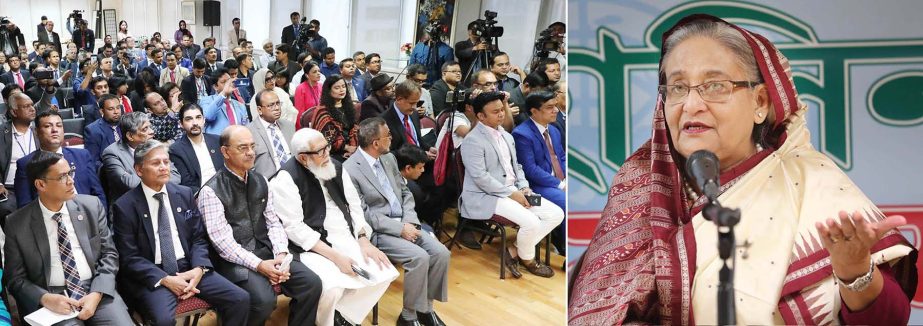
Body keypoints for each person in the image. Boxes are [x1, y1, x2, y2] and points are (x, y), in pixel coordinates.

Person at [568, 15, 918, 325]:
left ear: (760, 103)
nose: (691, 104)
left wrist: (855, 270)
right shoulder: (641, 188)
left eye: (715, 86)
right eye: (677, 87)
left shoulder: (813, 184)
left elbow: (890, 319)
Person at [111, 140, 250, 326]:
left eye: (166, 162)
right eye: (155, 163)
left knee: (239, 299)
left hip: (189, 267)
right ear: (139, 170)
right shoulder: (125, 206)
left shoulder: (183, 194)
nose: (163, 167)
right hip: (155, 274)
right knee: (163, 320)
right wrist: (165, 279)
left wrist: (199, 269)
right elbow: (130, 257)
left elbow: (199, 238)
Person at [270, 128, 399, 326]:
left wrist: (363, 240)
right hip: (313, 246)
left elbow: (354, 206)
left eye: (327, 147)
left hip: (346, 235)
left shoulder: (335, 166)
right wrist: (336, 257)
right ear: (303, 158)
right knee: (332, 287)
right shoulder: (286, 179)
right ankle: (330, 321)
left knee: (384, 271)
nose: (327, 154)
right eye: (320, 151)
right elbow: (295, 229)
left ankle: (343, 317)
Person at [197, 125, 323, 326]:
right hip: (234, 261)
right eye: (242, 148)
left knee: (311, 283)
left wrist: (281, 254)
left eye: (252, 146)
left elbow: (273, 222)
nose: (250, 153)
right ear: (225, 152)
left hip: (267, 251)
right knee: (263, 301)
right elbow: (223, 244)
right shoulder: (211, 191)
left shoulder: (261, 180)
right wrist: (259, 265)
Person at [3, 151, 134, 325]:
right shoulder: (17, 223)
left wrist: (97, 293)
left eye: (70, 173)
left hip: (95, 289)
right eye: (62, 177)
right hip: (52, 297)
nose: (71, 180)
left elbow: (109, 254)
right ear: (41, 184)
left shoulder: (91, 206)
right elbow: (15, 278)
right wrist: (44, 298)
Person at [343, 118, 450, 326]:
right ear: (375, 142)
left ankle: (425, 309)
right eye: (388, 136)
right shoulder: (350, 169)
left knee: (441, 253)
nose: (392, 139)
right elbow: (363, 213)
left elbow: (405, 192)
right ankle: (408, 316)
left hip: (405, 221)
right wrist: (400, 228)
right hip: (379, 231)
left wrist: (410, 221)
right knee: (419, 258)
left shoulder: (389, 158)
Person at [459, 91, 563, 278]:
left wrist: (524, 187)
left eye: (501, 109)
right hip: (488, 196)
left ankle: (514, 251)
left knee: (556, 214)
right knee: (530, 221)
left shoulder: (506, 136)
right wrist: (513, 194)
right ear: (481, 116)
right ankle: (529, 259)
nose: (501, 114)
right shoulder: (472, 141)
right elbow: (481, 178)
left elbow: (518, 167)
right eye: (495, 111)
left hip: (515, 191)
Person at [13, 111, 106, 207]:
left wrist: (100, 219)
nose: (54, 130)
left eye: (59, 125)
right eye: (48, 126)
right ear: (36, 132)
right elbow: (25, 206)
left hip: (87, 214)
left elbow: (98, 194)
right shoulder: (25, 164)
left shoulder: (82, 156)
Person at [511, 91, 566, 253]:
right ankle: (564, 249)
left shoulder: (554, 130)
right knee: (566, 201)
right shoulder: (522, 134)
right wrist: (560, 184)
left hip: (557, 181)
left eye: (555, 106)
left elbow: (561, 157)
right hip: (536, 185)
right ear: (534, 111)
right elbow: (529, 169)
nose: (555, 110)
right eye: (550, 107)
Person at [100, 112, 181, 204]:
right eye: (145, 129)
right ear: (130, 136)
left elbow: (175, 177)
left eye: (150, 127)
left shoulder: (155, 146)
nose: (152, 132)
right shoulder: (112, 153)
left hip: (161, 200)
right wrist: (160, 177)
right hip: (130, 206)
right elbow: (130, 184)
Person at [169, 103, 224, 191]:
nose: (195, 123)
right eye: (189, 119)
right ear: (181, 124)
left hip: (226, 189)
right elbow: (187, 183)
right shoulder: (176, 150)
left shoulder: (217, 140)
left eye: (198, 117)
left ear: (204, 120)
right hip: (201, 195)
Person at [306, 75, 360, 163]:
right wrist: (347, 148)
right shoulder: (322, 111)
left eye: (343, 86)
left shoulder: (348, 106)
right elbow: (326, 140)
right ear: (329, 91)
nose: (342, 90)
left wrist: (353, 147)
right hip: (331, 152)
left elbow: (353, 129)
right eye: (337, 88)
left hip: (351, 147)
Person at [0, 93, 37, 217]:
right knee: (6, 208)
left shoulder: (40, 129)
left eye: (32, 105)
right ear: (14, 112)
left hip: (40, 183)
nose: (32, 109)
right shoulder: (1, 133)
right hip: (10, 188)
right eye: (26, 106)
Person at [248, 90, 294, 177]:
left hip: (295, 177)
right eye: (271, 105)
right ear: (260, 110)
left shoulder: (289, 126)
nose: (277, 108)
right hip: (269, 182)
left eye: (278, 103)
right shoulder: (249, 132)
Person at [199, 68, 250, 135]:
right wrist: (223, 93)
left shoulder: (240, 105)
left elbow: (246, 127)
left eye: (229, 81)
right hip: (217, 143)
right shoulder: (206, 100)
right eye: (224, 82)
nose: (228, 84)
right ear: (215, 87)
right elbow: (208, 116)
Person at [84, 94, 122, 170]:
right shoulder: (92, 130)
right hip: (109, 171)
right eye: (111, 109)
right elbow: (93, 160)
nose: (116, 112)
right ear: (102, 111)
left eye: (118, 108)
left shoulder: (127, 124)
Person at [454, 21, 493, 85]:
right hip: (466, 79)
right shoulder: (461, 44)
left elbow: (491, 61)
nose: (479, 32)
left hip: (482, 79)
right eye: (476, 29)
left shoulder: (485, 46)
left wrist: (491, 49)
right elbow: (460, 54)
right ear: (469, 32)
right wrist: (475, 48)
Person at [293, 61, 323, 128]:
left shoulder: (321, 86)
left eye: (319, 71)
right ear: (307, 75)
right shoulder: (300, 88)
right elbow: (300, 113)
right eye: (315, 72)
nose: (318, 73)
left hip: (320, 122)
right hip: (306, 125)